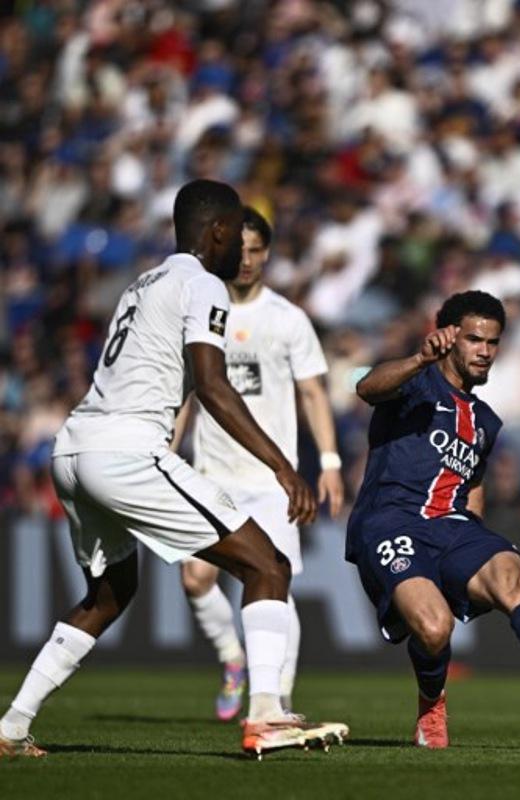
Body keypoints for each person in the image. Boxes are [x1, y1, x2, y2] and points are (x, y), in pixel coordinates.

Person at [0, 180, 346, 759]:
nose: (244, 245)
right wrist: (284, 466)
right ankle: (266, 715)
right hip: (126, 450)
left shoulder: (145, 282)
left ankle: (12, 724)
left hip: (74, 447)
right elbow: (212, 385)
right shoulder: (204, 283)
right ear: (216, 233)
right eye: (238, 233)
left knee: (110, 594)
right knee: (268, 565)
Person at [348, 290, 520, 749]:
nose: (485, 351)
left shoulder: (485, 421)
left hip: (453, 525)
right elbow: (366, 387)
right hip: (391, 522)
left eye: (493, 343)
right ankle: (431, 704)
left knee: (512, 575)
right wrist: (418, 358)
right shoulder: (415, 382)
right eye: (475, 339)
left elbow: (472, 481)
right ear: (450, 337)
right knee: (434, 629)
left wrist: (477, 540)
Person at [171, 207, 345, 720]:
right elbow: (186, 393)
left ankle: (278, 698)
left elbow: (313, 391)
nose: (246, 261)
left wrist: (330, 462)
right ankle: (232, 658)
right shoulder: (203, 308)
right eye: (239, 250)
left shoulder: (287, 318)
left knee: (275, 579)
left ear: (268, 254)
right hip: (211, 475)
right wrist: (166, 448)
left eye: (256, 250)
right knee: (194, 580)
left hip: (273, 480)